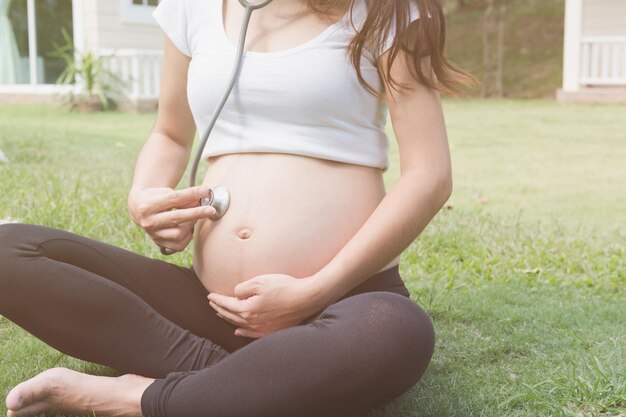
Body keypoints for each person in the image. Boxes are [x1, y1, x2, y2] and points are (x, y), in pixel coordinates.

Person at [0, 0, 475, 416]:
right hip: (213, 306)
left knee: (396, 332)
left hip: (343, 300)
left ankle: (136, 398)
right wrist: (144, 195)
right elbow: (170, 134)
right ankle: (248, 382)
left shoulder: (387, 10)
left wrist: (314, 291)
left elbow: (429, 176)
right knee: (8, 251)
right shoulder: (191, 7)